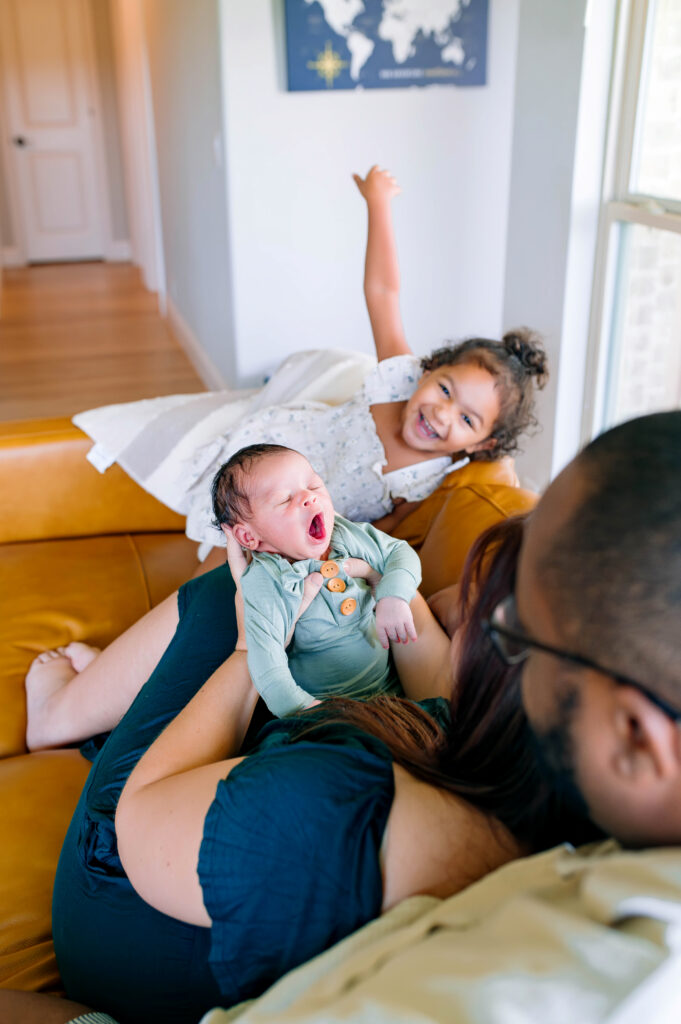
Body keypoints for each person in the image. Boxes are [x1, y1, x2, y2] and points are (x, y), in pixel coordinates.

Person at [14, 512, 594, 1024]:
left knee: (232, 597)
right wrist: (389, 585)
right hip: (240, 865)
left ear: (504, 661)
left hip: (129, 924)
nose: (447, 607)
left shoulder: (339, 806)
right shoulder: (537, 764)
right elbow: (435, 672)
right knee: (295, 609)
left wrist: (253, 648)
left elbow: (141, 817)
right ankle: (114, 697)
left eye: (469, 605)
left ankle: (58, 715)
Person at [72, 165, 547, 564]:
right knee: (229, 546)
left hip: (302, 527)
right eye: (445, 389)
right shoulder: (399, 382)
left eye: (466, 418)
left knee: (240, 576)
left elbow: (385, 528)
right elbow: (382, 293)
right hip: (278, 452)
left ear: (482, 443)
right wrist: (377, 202)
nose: (442, 414)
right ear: (428, 370)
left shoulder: (433, 476)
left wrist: (317, 550)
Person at [211, 443, 421, 717]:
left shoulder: (344, 534)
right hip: (321, 710)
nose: (309, 498)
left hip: (392, 694)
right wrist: (305, 710)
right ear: (250, 538)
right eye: (285, 500)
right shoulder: (267, 581)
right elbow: (266, 663)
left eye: (313, 485)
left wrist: (393, 595)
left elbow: (399, 552)